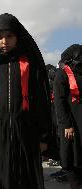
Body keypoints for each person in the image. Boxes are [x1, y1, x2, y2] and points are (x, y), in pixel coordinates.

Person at [0, 13, 51, 189]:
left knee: (24, 179)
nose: (4, 41)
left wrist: (44, 135)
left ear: (17, 37)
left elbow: (41, 99)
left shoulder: (28, 62)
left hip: (25, 130)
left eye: (9, 36)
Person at [53, 44, 82, 184]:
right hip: (71, 124)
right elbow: (59, 102)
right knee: (72, 158)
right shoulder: (62, 74)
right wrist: (67, 125)